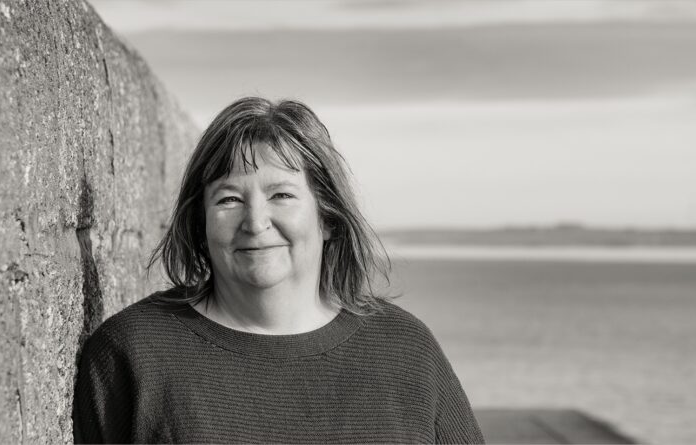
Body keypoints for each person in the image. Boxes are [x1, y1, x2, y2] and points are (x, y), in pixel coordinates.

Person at [72, 97, 485, 444]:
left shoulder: (406, 350)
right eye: (229, 199)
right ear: (200, 221)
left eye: (281, 194)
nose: (255, 221)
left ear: (328, 217)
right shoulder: (132, 352)